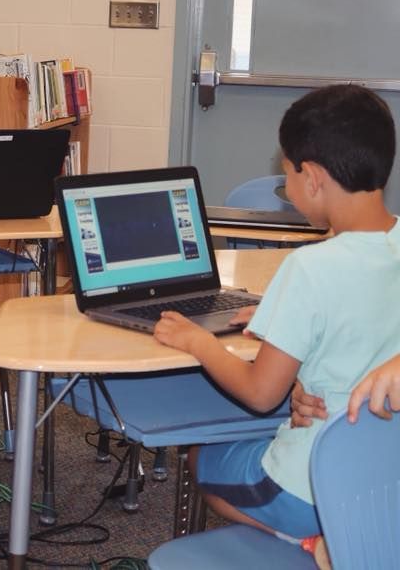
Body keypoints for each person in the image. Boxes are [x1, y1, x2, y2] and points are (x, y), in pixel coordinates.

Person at [152, 84, 400, 548]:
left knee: (199, 460)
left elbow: (261, 394)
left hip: (309, 487)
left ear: (312, 177)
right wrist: (285, 315)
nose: (284, 188)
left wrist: (197, 341)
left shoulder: (310, 266)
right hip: (386, 483)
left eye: (285, 174)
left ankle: (313, 540)